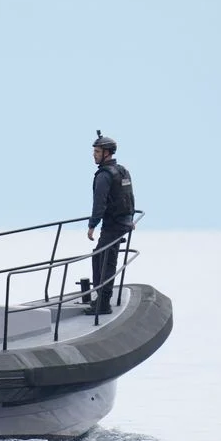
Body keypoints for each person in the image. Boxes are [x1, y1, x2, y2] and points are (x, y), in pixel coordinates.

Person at [86, 130, 135, 315]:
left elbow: (99, 203)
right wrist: (130, 219)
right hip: (122, 223)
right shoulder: (122, 171)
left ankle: (103, 303)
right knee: (105, 257)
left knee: (103, 259)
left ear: (107, 153)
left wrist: (92, 225)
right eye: (94, 151)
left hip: (113, 225)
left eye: (97, 152)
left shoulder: (104, 175)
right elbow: (130, 197)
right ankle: (102, 298)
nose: (94, 155)